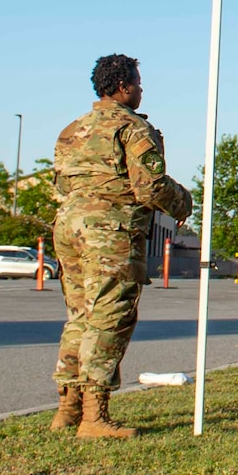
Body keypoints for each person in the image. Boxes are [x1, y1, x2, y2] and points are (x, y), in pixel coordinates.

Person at [50, 54, 194, 440]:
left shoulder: (71, 129)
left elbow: (61, 184)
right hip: (108, 231)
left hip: (68, 226)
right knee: (110, 316)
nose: (141, 89)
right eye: (138, 82)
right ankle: (94, 417)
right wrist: (184, 202)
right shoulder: (133, 128)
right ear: (124, 86)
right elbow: (150, 185)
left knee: (79, 314)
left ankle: (67, 407)